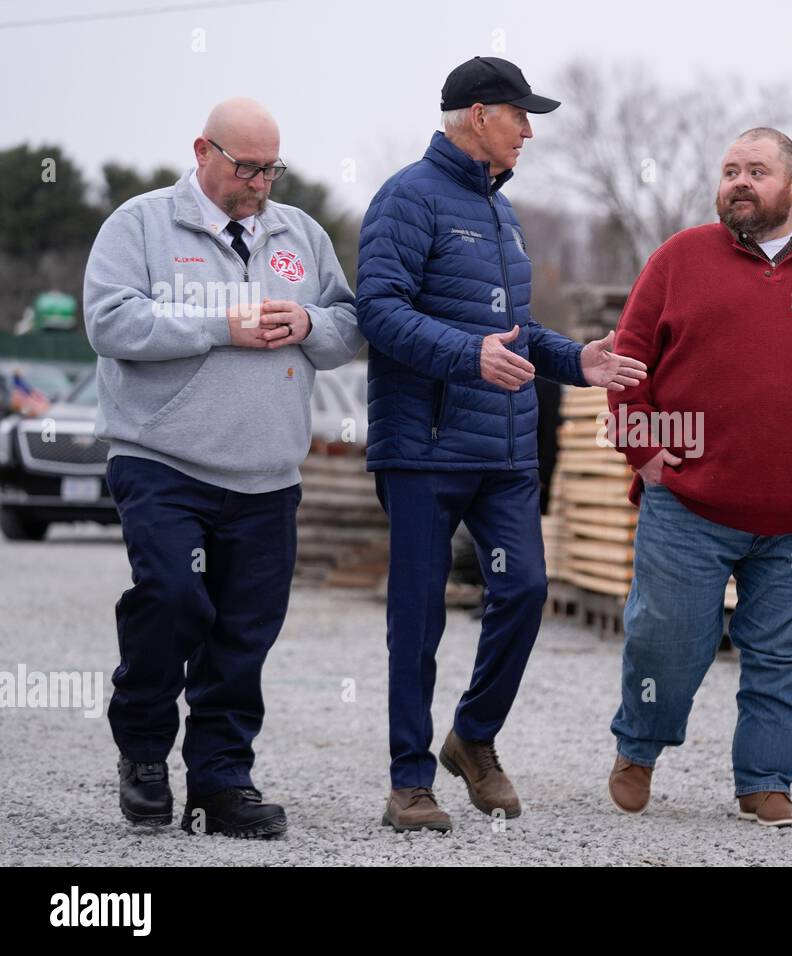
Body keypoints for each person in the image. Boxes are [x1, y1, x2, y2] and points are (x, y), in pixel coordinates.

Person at [356, 56, 646, 833]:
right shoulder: (405, 199)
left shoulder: (502, 211)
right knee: (417, 618)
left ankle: (473, 738)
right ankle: (410, 782)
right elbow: (377, 313)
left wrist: (575, 360)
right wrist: (466, 354)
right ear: (478, 115)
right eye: (521, 116)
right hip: (423, 447)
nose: (528, 131)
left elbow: (514, 333)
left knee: (521, 593)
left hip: (505, 452)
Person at [605, 128, 792, 827]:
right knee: (667, 640)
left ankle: (764, 782)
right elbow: (628, 364)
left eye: (757, 171)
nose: (740, 181)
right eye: (731, 171)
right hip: (690, 505)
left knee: (786, 656)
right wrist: (645, 454)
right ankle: (640, 747)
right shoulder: (678, 259)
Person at [84, 97, 363, 838]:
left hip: (267, 476)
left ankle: (221, 779)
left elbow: (347, 324)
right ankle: (144, 750)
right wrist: (221, 325)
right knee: (173, 598)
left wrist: (307, 321)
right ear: (202, 151)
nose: (261, 183)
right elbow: (109, 321)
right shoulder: (139, 225)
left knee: (245, 633)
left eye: (272, 168)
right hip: (162, 460)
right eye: (247, 167)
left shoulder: (300, 235)